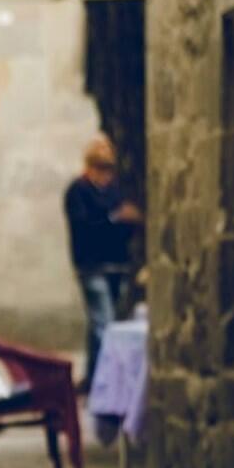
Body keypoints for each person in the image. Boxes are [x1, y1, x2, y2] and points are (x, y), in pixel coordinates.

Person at [64, 133, 143, 389]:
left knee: (100, 324)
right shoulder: (78, 191)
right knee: (104, 322)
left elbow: (123, 227)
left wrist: (125, 220)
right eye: (100, 168)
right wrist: (114, 219)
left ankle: (94, 374)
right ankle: (105, 382)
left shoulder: (114, 192)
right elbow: (85, 227)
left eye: (108, 169)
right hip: (91, 265)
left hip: (116, 264)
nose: (105, 174)